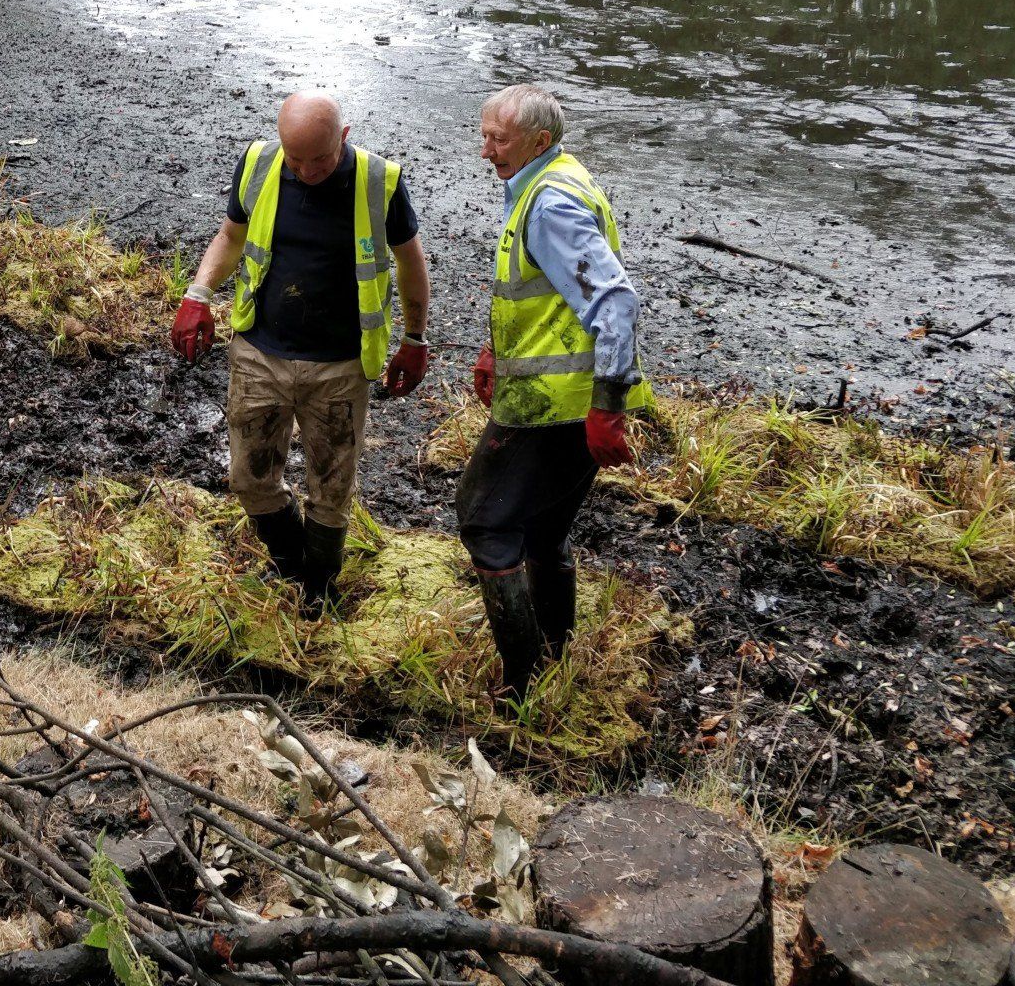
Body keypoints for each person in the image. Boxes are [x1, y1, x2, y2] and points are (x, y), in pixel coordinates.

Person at [169, 92, 431, 613]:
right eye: (297, 158)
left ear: (345, 136)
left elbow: (410, 262)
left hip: (340, 367)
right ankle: (292, 566)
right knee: (248, 479)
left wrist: (415, 339)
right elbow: (231, 236)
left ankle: (319, 588)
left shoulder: (380, 183)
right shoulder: (260, 164)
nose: (307, 171)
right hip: (259, 353)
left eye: (321, 159)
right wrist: (197, 295)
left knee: (331, 488)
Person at [458, 83, 654, 705]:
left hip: (555, 408)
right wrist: (497, 351)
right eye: (485, 135)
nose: (486, 151)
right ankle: (556, 657)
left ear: (539, 141)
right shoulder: (559, 176)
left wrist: (607, 406)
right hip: (562, 399)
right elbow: (553, 297)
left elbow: (614, 299)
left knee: (485, 522)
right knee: (543, 530)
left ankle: (521, 685)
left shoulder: (548, 204)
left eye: (500, 139)